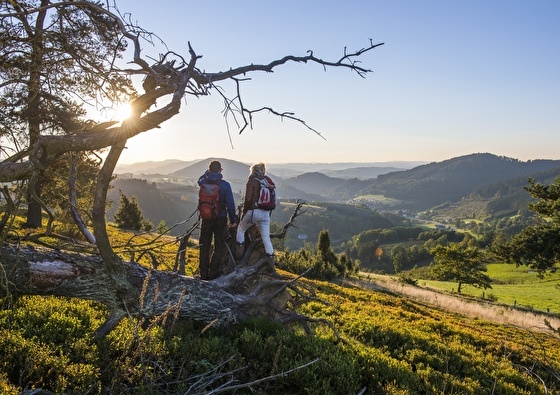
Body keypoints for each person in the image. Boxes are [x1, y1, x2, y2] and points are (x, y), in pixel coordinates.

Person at [197, 160, 237, 280]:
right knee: (219, 246)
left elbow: (200, 178)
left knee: (204, 245)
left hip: (206, 218)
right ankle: (213, 272)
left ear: (209, 169)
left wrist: (207, 173)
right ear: (220, 170)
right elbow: (230, 204)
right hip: (220, 218)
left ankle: (203, 273)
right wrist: (233, 220)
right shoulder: (225, 185)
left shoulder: (203, 182)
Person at [236, 162, 275, 266]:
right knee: (266, 237)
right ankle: (271, 264)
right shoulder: (267, 181)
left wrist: (244, 213)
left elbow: (248, 199)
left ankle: (238, 256)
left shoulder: (252, 181)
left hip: (254, 211)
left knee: (240, 229)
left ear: (253, 171)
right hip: (266, 213)